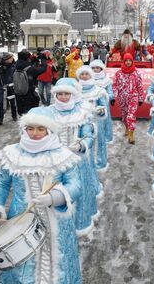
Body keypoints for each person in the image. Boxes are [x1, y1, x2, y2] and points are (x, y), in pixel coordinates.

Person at [0, 107, 82, 283]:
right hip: (20, 223)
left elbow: (75, 185)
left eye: (40, 129)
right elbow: (1, 183)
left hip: (57, 224)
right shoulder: (12, 153)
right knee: (23, 268)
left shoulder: (63, 155)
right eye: (30, 128)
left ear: (49, 130)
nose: (35, 133)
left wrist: (55, 197)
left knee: (58, 267)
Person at [47, 78, 97, 234]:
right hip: (53, 162)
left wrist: (81, 145)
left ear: (73, 95)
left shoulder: (82, 112)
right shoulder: (48, 112)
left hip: (77, 161)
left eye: (66, 94)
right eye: (59, 94)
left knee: (78, 192)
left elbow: (88, 136)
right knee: (55, 195)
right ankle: (60, 229)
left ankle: (80, 223)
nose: (62, 97)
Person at [76, 65, 109, 171]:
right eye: (82, 74)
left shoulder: (98, 90)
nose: (84, 76)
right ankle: (85, 167)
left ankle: (99, 162)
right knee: (82, 143)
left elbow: (103, 106)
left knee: (97, 142)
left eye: (86, 74)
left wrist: (100, 111)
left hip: (95, 121)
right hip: (80, 121)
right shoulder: (75, 90)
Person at [112, 53, 144, 144]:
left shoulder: (136, 73)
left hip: (133, 97)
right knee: (124, 115)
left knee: (131, 115)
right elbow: (115, 86)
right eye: (126, 60)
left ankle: (131, 134)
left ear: (132, 61)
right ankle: (127, 128)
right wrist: (114, 97)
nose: (128, 62)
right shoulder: (118, 73)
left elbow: (140, 86)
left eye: (130, 60)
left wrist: (141, 98)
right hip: (122, 98)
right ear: (124, 61)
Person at [90, 59, 114, 146]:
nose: (95, 70)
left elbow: (111, 93)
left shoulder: (106, 80)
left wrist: (104, 96)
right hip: (90, 105)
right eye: (93, 68)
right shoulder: (88, 79)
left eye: (97, 68)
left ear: (101, 69)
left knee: (103, 122)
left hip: (103, 106)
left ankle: (106, 138)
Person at [0, 52, 17, 125]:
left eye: (12, 57)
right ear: (6, 59)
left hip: (11, 86)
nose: (12, 59)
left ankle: (14, 115)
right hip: (2, 87)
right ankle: (0, 119)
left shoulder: (14, 65)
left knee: (13, 102)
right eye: (11, 58)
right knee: (1, 103)